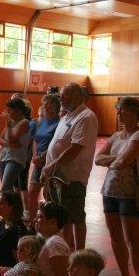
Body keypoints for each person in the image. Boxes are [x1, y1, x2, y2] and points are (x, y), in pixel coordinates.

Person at [94, 97, 139, 276]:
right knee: (115, 237)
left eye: (123, 110)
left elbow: (124, 161)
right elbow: (98, 159)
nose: (119, 114)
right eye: (118, 110)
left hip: (130, 193)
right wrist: (116, 159)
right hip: (109, 191)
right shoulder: (116, 136)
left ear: (135, 113)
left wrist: (115, 160)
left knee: (133, 241)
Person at [41, 83, 98, 251]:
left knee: (75, 217)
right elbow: (58, 143)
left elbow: (75, 148)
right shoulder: (67, 116)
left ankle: (78, 254)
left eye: (64, 95)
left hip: (71, 178)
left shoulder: (86, 117)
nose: (60, 99)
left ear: (77, 96)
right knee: (60, 218)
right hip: (55, 176)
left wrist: (51, 166)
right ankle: (64, 250)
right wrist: (45, 160)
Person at [28, 93, 61, 226]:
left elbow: (57, 144)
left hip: (50, 162)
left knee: (48, 195)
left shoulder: (59, 123)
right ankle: (33, 224)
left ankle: (47, 225)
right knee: (32, 192)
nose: (44, 106)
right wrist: (35, 156)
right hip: (38, 162)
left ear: (55, 106)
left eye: (47, 104)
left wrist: (42, 156)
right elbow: (35, 140)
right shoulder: (42, 121)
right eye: (44, 104)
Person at [0, 97, 31, 194]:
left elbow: (13, 139)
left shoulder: (24, 122)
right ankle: (12, 204)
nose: (8, 113)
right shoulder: (10, 122)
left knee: (5, 189)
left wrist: (8, 124)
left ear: (19, 110)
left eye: (10, 110)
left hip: (15, 159)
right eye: (7, 110)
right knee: (7, 191)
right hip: (4, 157)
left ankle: (13, 204)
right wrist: (10, 145)